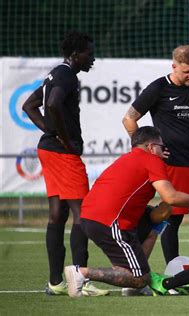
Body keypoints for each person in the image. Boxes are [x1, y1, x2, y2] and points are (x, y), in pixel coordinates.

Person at [63, 126, 189, 298]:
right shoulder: (152, 161)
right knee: (140, 277)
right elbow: (171, 197)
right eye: (162, 146)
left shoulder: (129, 158)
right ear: (151, 147)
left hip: (93, 217)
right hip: (109, 221)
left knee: (155, 222)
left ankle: (131, 285)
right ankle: (82, 273)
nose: (164, 150)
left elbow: (157, 210)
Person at [22, 31, 108, 296]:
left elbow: (29, 105)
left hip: (49, 151)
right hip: (62, 153)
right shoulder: (67, 75)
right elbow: (54, 103)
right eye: (89, 54)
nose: (92, 59)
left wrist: (50, 130)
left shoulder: (56, 73)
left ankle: (56, 282)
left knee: (57, 214)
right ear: (74, 55)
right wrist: (62, 135)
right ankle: (79, 281)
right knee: (84, 213)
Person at [122, 45, 189, 264]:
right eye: (186, 72)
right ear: (174, 66)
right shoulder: (158, 88)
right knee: (172, 219)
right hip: (173, 164)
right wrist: (146, 150)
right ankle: (173, 271)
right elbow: (129, 118)